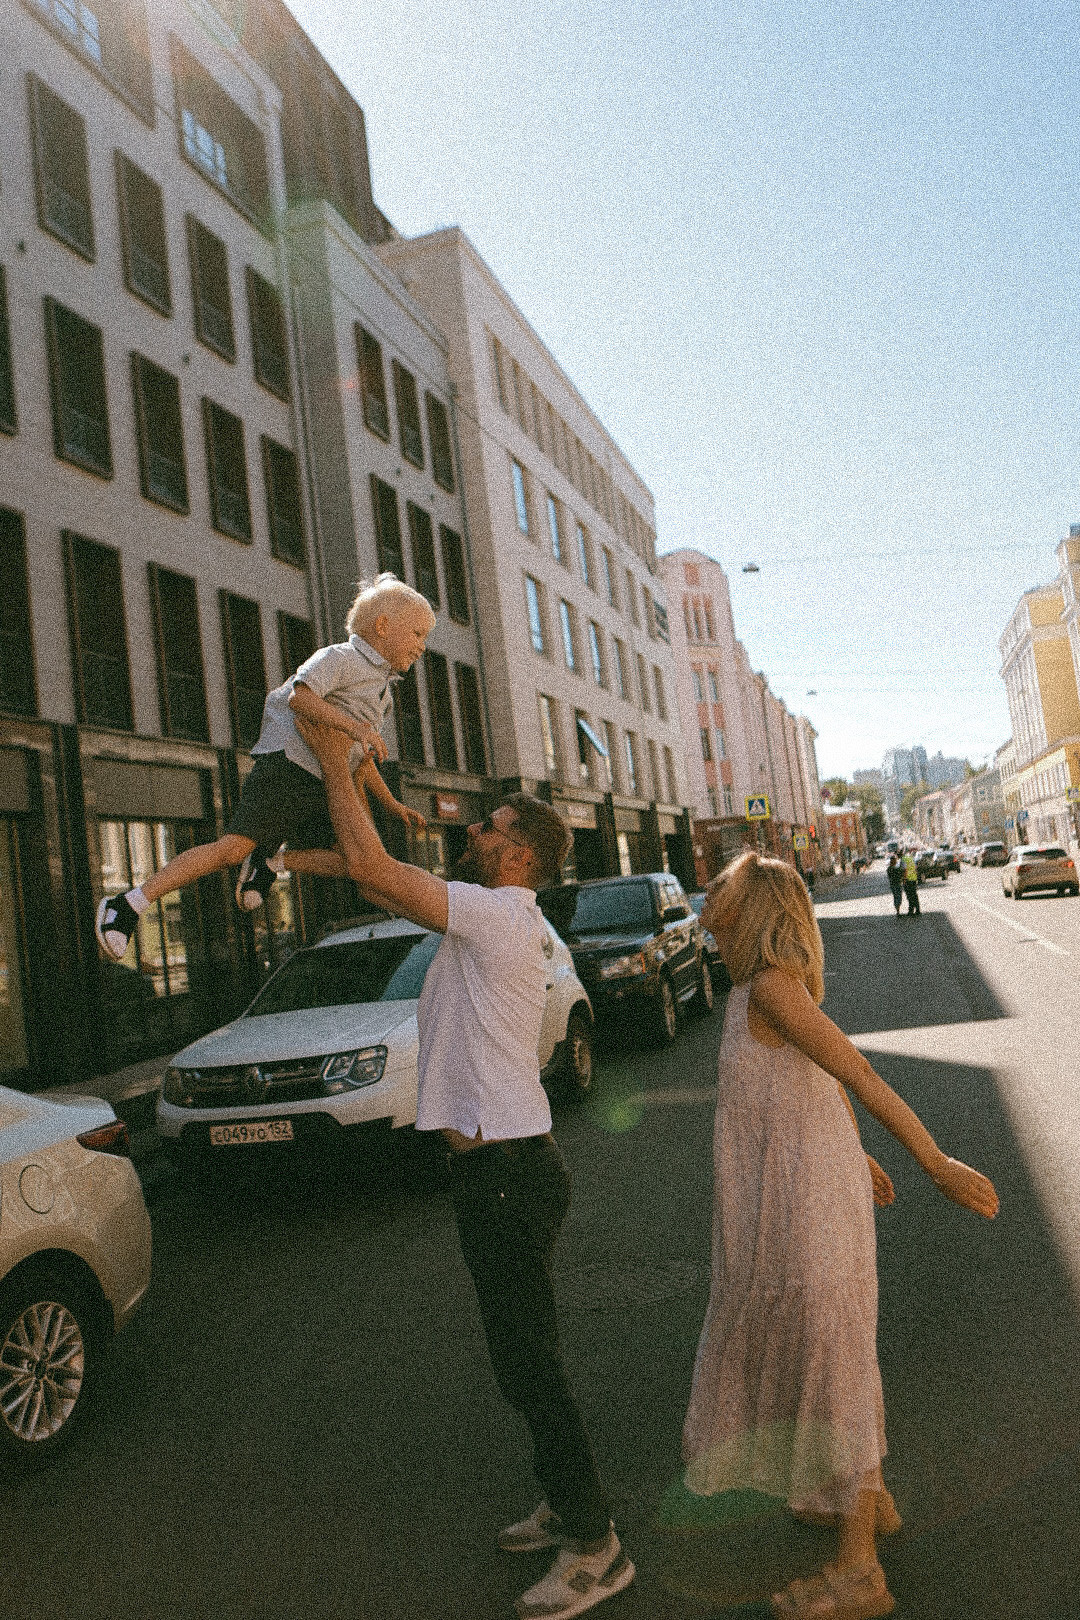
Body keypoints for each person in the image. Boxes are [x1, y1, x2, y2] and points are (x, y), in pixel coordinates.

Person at [299, 714, 634, 1620]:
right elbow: (370, 875)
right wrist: (290, 862)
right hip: (500, 1173)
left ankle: (596, 1544)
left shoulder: (492, 917)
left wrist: (337, 760)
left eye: (491, 826)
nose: (475, 831)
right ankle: (564, 1501)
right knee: (521, 1358)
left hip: (508, 1176)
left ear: (520, 855)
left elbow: (377, 871)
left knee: (532, 1369)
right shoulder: (486, 916)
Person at [682, 850, 997, 1620]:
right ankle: (867, 1495)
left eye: (719, 882)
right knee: (824, 1344)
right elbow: (813, 1079)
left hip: (806, 1204)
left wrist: (934, 1161)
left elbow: (858, 1072)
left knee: (833, 1353)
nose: (705, 886)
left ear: (751, 905)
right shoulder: (744, 995)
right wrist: (856, 1152)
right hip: (792, 1193)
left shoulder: (771, 989)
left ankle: (860, 1570)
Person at [95, 575, 432, 961]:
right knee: (232, 848)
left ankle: (271, 862)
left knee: (354, 862)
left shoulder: (383, 691)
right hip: (288, 767)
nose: (422, 646)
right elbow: (299, 698)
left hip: (325, 779)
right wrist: (354, 726)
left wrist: (392, 806)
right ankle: (128, 904)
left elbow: (360, 757)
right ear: (383, 627)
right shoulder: (341, 659)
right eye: (417, 633)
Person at [901, 849, 920, 916]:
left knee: (909, 896)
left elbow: (905, 870)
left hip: (908, 880)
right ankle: (918, 909)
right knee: (914, 895)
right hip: (913, 879)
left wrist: (904, 880)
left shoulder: (903, 859)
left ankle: (911, 911)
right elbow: (915, 867)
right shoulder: (911, 858)